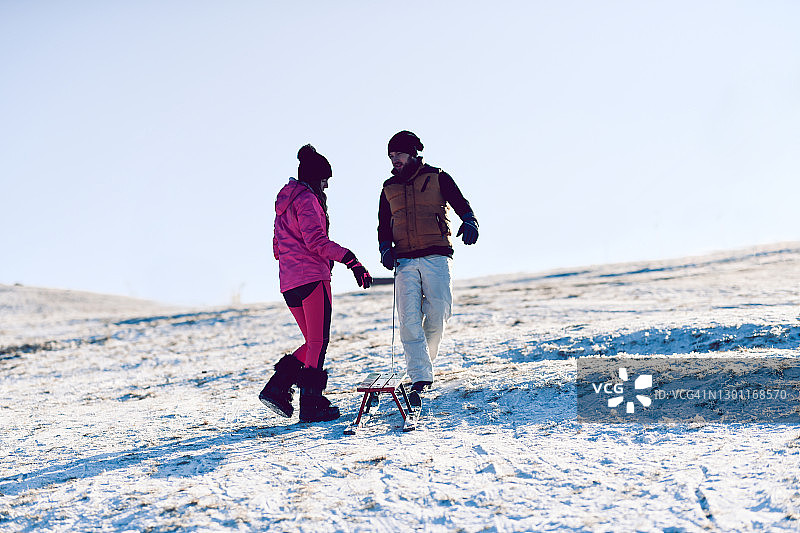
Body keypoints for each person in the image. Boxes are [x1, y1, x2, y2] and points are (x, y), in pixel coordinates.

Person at [260, 144, 372, 423]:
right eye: (325, 181)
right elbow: (316, 242)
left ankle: (278, 386)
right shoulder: (307, 200)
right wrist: (351, 260)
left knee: (312, 342)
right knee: (319, 342)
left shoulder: (283, 203)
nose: (326, 187)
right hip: (312, 278)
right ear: (315, 178)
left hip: (288, 283)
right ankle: (311, 404)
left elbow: (277, 248)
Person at [377, 130, 479, 406]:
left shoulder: (438, 177)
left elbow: (462, 205)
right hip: (405, 261)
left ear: (412, 153)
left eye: (398, 154)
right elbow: (383, 226)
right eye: (390, 155)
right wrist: (385, 248)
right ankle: (420, 376)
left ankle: (423, 365)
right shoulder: (388, 187)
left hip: (436, 256)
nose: (393, 159)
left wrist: (470, 222)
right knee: (408, 320)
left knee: (438, 312)